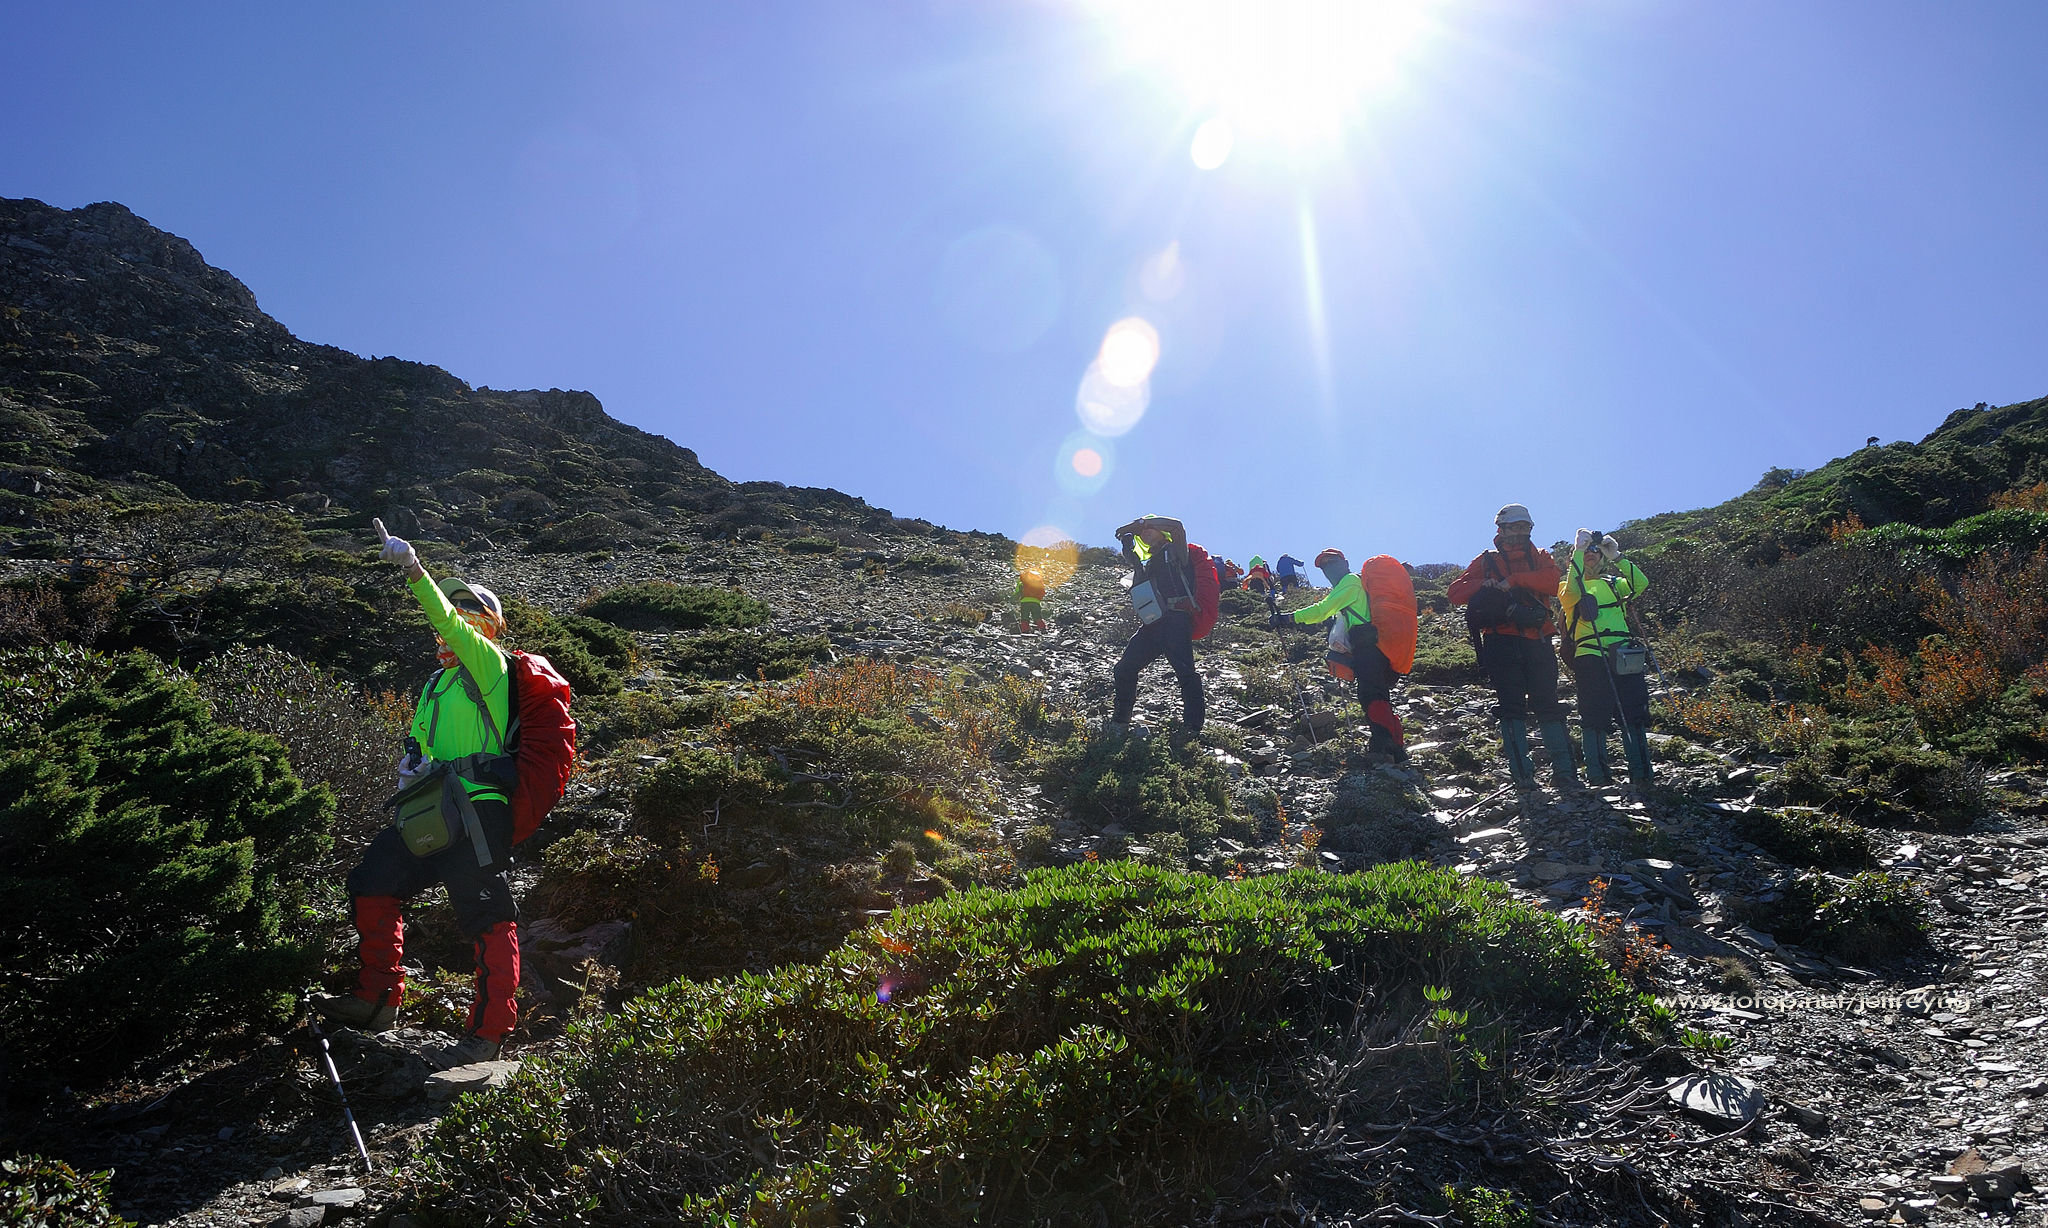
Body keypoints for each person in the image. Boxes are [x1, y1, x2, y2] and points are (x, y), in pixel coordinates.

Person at [315, 519, 523, 1069]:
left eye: (470, 609)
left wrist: (413, 569)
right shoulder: (435, 684)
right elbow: (422, 747)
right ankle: (378, 999)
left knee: (485, 912)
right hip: (432, 806)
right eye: (457, 607)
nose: (455, 618)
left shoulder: (491, 666)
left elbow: (447, 621)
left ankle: (488, 1034)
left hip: (478, 809)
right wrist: (410, 770)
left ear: (490, 625)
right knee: (372, 881)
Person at [1447, 504, 1576, 794]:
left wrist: (1513, 581)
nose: (1520, 532)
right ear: (1501, 530)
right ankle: (1524, 778)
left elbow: (1553, 583)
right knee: (1512, 708)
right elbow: (1455, 593)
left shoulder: (1540, 556)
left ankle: (1564, 774)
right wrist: (1484, 584)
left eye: (1524, 527)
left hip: (1537, 641)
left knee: (1547, 704)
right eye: (1515, 527)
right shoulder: (1486, 561)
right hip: (1502, 642)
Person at [1280, 548, 1405, 758]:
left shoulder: (1350, 581)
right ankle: (1391, 744)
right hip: (1374, 647)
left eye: (1331, 562)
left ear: (1345, 563)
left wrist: (1289, 618)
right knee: (1376, 693)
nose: (1328, 568)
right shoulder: (1355, 584)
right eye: (1324, 566)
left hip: (1368, 648)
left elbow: (1322, 609)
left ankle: (1386, 745)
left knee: (1370, 694)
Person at [1559, 530, 1653, 792]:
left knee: (1633, 711)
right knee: (1593, 714)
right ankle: (1598, 776)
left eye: (1595, 550)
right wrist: (1579, 550)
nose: (1591, 554)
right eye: (1586, 551)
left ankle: (1641, 774)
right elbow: (1570, 593)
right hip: (1590, 653)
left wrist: (1617, 556)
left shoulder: (1615, 583)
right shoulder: (1568, 585)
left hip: (1623, 652)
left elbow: (1641, 583)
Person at [1109, 514, 1204, 736]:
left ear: (1162, 532)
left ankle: (1193, 727)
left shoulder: (1178, 551)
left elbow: (1177, 527)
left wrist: (1141, 523)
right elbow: (1136, 571)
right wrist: (1127, 544)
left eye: (1150, 529)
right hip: (1153, 622)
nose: (1145, 533)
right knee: (1124, 668)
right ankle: (1120, 721)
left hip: (1177, 619)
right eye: (1142, 533)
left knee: (1185, 673)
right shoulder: (1149, 563)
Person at [1014, 567, 1048, 632]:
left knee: (1024, 617)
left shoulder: (1022, 581)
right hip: (1036, 601)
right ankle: (1043, 629)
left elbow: (1017, 591)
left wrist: (1014, 598)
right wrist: (1039, 598)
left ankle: (1025, 630)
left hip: (1025, 601)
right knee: (1037, 617)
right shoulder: (1038, 580)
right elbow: (1042, 591)